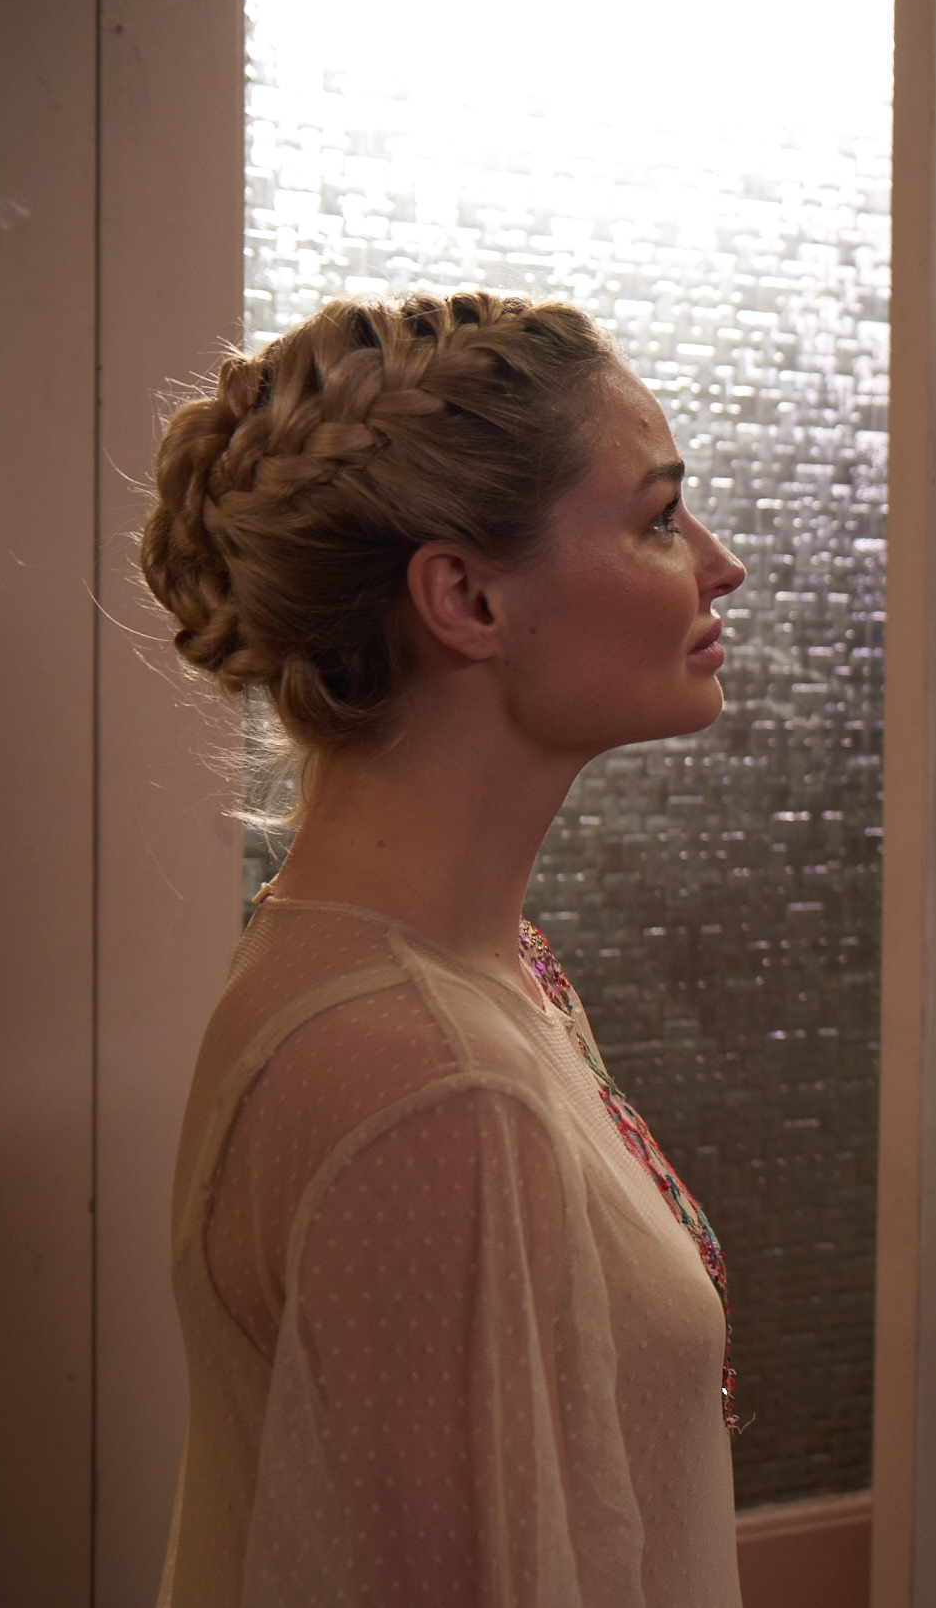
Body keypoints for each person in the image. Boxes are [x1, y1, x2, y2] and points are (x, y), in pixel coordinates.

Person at [143, 291, 750, 1605]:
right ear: (465, 596)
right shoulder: (436, 1087)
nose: (721, 565)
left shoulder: (468, 972)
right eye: (658, 518)